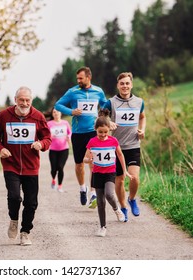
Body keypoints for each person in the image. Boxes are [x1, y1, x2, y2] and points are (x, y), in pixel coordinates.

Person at [0, 86, 51, 246]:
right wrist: (1, 148)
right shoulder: (4, 115)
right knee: (14, 196)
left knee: (31, 202)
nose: (24, 103)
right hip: (11, 164)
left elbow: (47, 138)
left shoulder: (38, 116)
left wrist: (41, 144)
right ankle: (14, 219)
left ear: (31, 101)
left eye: (27, 100)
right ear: (15, 100)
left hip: (31, 166)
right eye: (21, 100)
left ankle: (25, 232)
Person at [55, 66, 108, 208]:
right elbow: (58, 105)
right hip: (78, 133)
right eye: (77, 78)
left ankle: (93, 193)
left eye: (81, 78)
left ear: (88, 78)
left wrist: (103, 117)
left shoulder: (98, 91)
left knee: (93, 162)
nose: (78, 80)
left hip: (93, 131)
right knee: (79, 164)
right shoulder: (72, 92)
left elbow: (104, 105)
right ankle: (82, 188)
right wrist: (71, 111)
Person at [103, 72, 146, 222]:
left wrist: (142, 130)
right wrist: (109, 123)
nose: (125, 86)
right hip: (116, 147)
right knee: (120, 180)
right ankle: (123, 207)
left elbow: (142, 116)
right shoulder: (111, 102)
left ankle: (132, 199)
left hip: (134, 145)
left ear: (131, 85)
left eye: (127, 83)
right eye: (122, 83)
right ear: (118, 85)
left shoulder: (139, 102)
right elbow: (101, 117)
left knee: (134, 178)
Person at [83, 109, 132, 237]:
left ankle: (117, 210)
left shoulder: (113, 141)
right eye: (100, 132)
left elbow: (120, 155)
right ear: (95, 130)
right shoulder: (92, 142)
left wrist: (125, 170)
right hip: (97, 174)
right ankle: (102, 226)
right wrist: (89, 160)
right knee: (100, 202)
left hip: (110, 173)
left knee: (109, 194)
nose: (103, 134)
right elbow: (84, 158)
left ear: (109, 130)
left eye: (106, 132)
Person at [47, 107, 72, 192]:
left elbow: (69, 132)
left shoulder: (65, 123)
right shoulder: (49, 124)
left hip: (64, 149)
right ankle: (53, 179)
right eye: (54, 112)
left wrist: (68, 137)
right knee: (54, 169)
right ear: (52, 114)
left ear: (61, 113)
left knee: (60, 167)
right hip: (53, 149)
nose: (56, 113)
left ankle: (60, 186)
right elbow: (46, 135)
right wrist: (50, 137)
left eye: (57, 112)